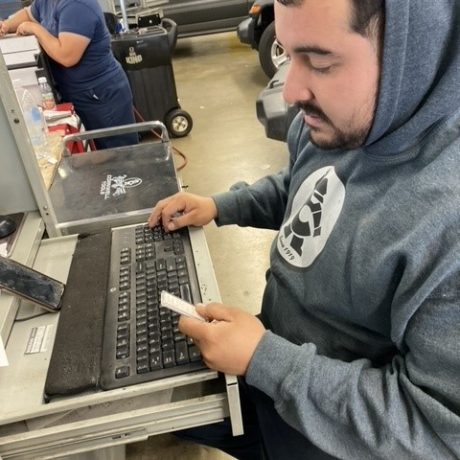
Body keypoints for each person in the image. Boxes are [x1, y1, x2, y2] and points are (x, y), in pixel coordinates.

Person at [148, 0, 460, 458]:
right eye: (288, 54)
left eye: (319, 62)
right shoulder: (343, 120)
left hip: (327, 436)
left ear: (410, 52)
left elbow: (434, 431)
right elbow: (306, 189)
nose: (292, 90)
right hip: (272, 369)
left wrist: (265, 360)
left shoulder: (447, 221)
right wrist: (218, 206)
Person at [0, 0, 138, 150]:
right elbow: (29, 13)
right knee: (96, 156)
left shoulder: (77, 5)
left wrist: (35, 29)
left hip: (100, 96)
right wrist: (6, 26)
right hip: (76, 92)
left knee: (119, 156)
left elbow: (67, 57)